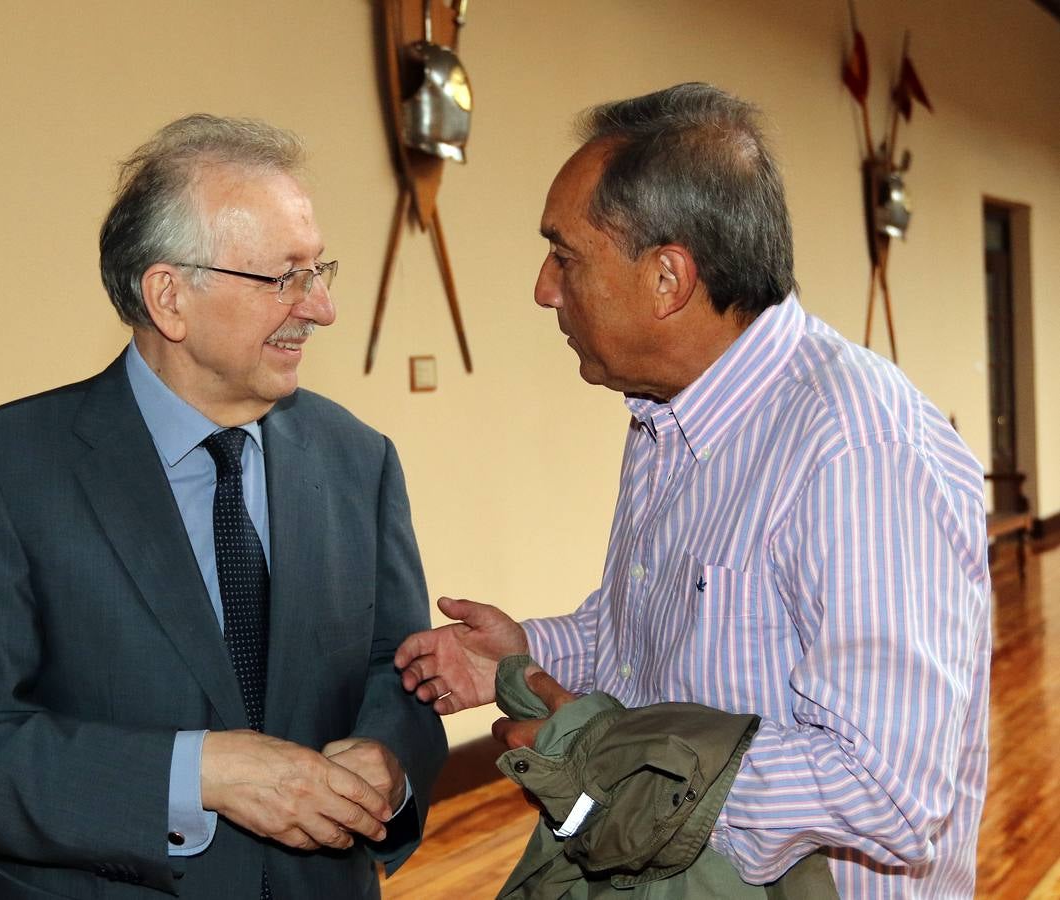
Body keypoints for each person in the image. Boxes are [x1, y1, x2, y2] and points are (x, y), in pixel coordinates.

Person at [396, 83, 990, 898]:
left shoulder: (858, 453)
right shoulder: (665, 412)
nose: (542, 288)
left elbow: (887, 788)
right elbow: (656, 634)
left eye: (565, 256)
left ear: (668, 278)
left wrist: (611, 753)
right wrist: (526, 651)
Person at [0, 114, 446, 900]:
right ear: (169, 298)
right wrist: (198, 773)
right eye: (284, 277)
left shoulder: (359, 459)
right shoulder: (6, 468)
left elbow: (397, 674)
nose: (320, 308)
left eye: (319, 269)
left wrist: (387, 768)